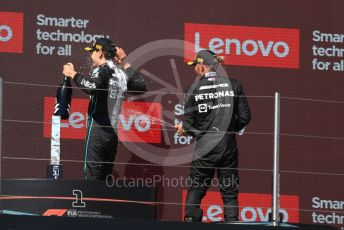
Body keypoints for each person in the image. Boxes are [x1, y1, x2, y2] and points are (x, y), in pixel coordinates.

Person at [175, 49, 251, 222]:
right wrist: (230, 130)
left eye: (195, 66)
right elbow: (246, 116)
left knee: (197, 186)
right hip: (227, 145)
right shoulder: (234, 84)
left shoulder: (193, 88)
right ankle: (232, 223)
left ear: (202, 67)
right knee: (229, 190)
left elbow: (188, 123)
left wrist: (185, 130)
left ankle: (190, 221)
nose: (194, 69)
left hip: (204, 147)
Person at [63, 38, 146, 180]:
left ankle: (91, 203)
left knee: (91, 180)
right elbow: (141, 86)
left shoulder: (102, 70)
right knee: (104, 182)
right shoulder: (121, 74)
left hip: (97, 130)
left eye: (92, 52)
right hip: (112, 136)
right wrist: (125, 62)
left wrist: (73, 74)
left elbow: (92, 87)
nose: (91, 55)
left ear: (100, 52)